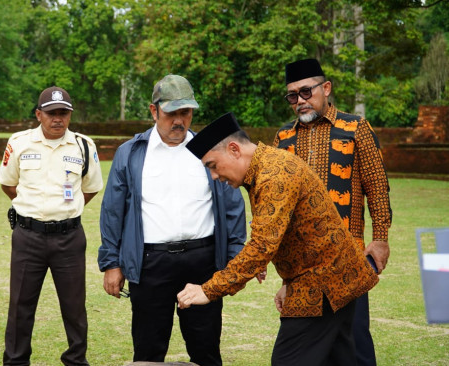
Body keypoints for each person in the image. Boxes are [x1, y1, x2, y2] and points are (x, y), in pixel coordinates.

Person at [177, 112, 380, 365]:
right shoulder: (266, 166)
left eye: (213, 166)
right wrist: (288, 282)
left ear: (234, 150)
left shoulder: (274, 175)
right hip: (331, 279)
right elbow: (294, 234)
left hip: (323, 284)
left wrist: (208, 290)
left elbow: (262, 246)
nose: (215, 176)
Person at [98, 74, 247, 366]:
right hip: (151, 264)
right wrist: (112, 263)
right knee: (148, 351)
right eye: (171, 113)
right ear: (154, 111)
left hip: (203, 262)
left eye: (186, 112)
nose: (179, 120)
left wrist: (235, 258)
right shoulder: (130, 153)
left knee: (205, 349)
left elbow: (232, 206)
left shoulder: (210, 151)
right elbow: (113, 211)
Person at [273, 58, 392, 366]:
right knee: (305, 347)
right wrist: (285, 277)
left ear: (325, 88)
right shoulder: (283, 139)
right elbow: (279, 209)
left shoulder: (356, 129)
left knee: (352, 344)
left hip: (347, 259)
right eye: (292, 96)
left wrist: (380, 239)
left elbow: (377, 188)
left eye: (306, 91)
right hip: (301, 267)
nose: (300, 101)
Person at [0, 86, 103, 366]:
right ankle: (16, 361)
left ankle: (76, 360)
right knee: (20, 305)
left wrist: (67, 211)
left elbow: (90, 189)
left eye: (63, 113)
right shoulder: (20, 142)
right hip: (28, 235)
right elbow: (8, 183)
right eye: (52, 113)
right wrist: (32, 211)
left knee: (74, 307)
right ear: (38, 115)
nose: (58, 119)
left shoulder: (83, 145)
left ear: (70, 115)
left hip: (68, 237)